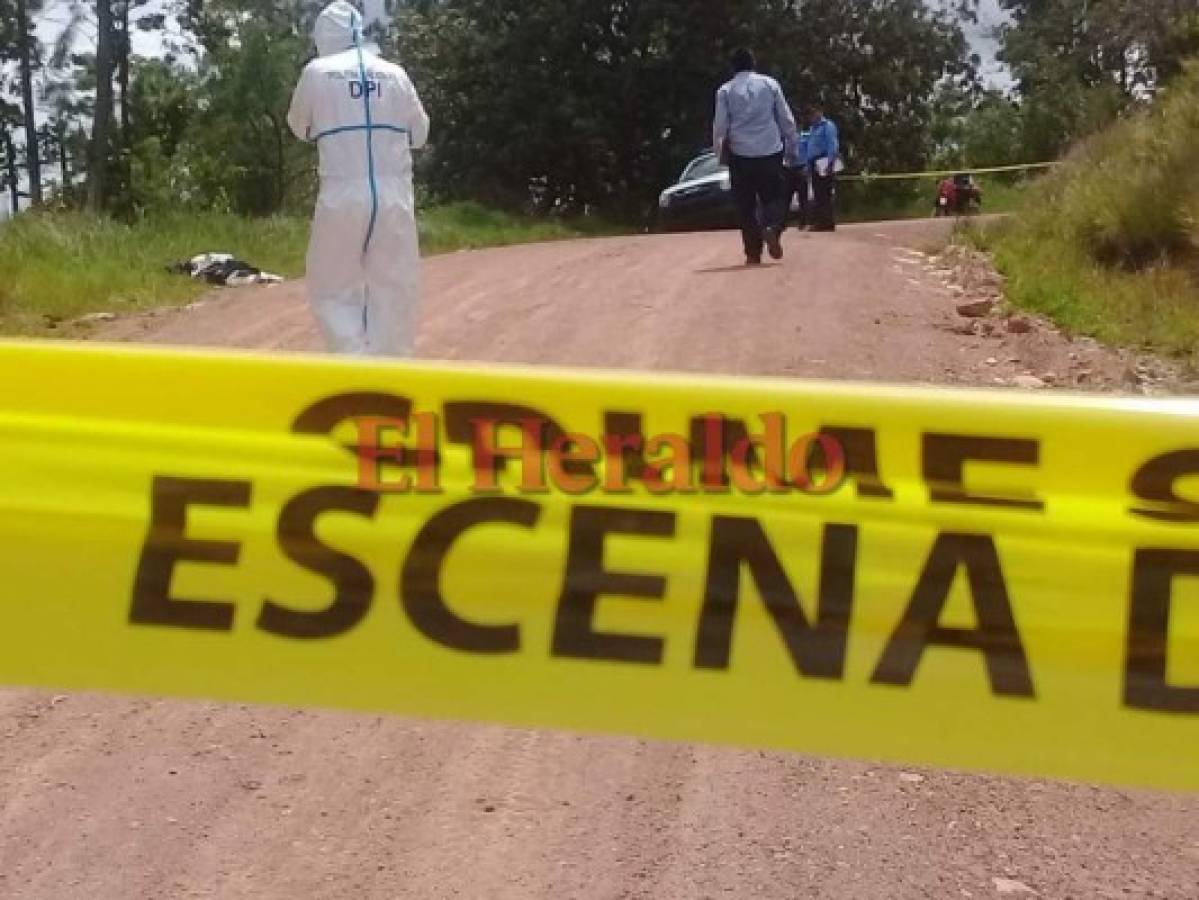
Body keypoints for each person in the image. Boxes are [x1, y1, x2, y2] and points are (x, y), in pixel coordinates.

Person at [287, 0, 430, 357]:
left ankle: (353, 361)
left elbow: (298, 127)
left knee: (332, 283)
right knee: (395, 285)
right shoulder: (396, 74)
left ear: (323, 35)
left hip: (341, 191)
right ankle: (391, 371)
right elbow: (421, 134)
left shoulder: (317, 72)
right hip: (394, 194)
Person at [713, 48, 798, 265]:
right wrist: (792, 146)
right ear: (753, 64)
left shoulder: (725, 90)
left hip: (740, 155)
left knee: (746, 205)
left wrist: (719, 154)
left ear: (732, 68)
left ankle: (753, 252)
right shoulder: (770, 84)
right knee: (776, 198)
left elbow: (720, 127)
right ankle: (772, 228)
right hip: (770, 150)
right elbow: (785, 118)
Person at [805, 102, 840, 232]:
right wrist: (808, 164)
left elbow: (832, 145)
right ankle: (822, 221)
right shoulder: (813, 128)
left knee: (824, 192)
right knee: (818, 193)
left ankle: (826, 222)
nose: (811, 117)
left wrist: (831, 163)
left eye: (813, 114)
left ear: (819, 112)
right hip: (815, 162)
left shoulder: (827, 126)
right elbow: (810, 147)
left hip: (824, 160)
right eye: (810, 115)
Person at [784, 127, 811, 232]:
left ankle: (803, 222)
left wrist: (807, 166)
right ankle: (782, 223)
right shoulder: (786, 139)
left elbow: (810, 151)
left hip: (801, 168)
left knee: (803, 198)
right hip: (789, 169)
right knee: (786, 198)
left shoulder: (805, 137)